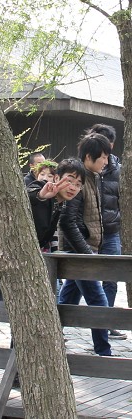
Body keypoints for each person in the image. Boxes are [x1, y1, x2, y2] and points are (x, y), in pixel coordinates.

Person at [0, 158, 85, 386]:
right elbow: (30, 195)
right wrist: (43, 196)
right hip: (0, 257)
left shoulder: (61, 205)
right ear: (56, 177)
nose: (73, 187)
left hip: (26, 264)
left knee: (24, 316)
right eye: (70, 180)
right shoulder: (39, 187)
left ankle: (16, 373)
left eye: (78, 184)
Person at [58, 133, 112, 357]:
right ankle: (105, 354)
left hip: (85, 251)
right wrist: (86, 254)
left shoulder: (95, 178)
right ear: (89, 156)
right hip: (79, 253)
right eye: (103, 157)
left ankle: (50, 340)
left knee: (66, 302)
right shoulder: (79, 180)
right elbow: (68, 221)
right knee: (99, 303)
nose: (107, 161)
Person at [88, 124, 126, 340]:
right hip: (88, 232)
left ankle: (106, 324)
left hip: (111, 231)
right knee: (79, 278)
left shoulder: (118, 169)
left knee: (111, 279)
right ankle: (63, 324)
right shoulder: (84, 167)